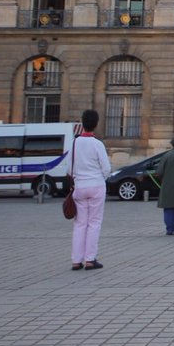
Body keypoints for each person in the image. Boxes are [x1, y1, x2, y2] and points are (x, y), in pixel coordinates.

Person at [70, 109, 111, 270]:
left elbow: (69, 168)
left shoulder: (74, 143)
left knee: (80, 223)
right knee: (94, 223)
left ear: (82, 123)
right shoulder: (97, 144)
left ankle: (76, 260)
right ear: (96, 124)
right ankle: (90, 259)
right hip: (96, 185)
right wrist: (100, 178)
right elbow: (106, 168)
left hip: (79, 186)